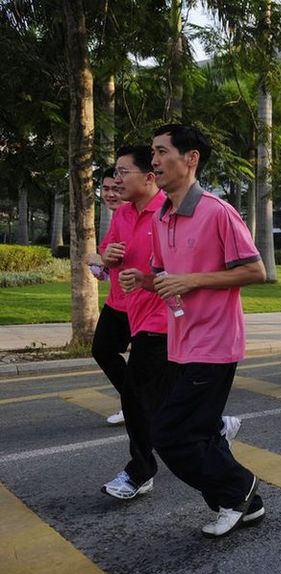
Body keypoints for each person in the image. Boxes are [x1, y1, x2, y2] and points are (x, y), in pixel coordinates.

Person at [145, 124, 266, 538]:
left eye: (162, 152)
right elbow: (164, 272)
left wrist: (190, 281)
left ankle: (239, 489)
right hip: (180, 340)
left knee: (170, 434)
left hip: (214, 343)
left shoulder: (217, 211)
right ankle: (243, 503)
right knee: (198, 429)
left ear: (191, 158)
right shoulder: (163, 216)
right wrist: (147, 281)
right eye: (153, 153)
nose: (155, 161)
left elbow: (255, 270)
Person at [100, 145, 170, 499]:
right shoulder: (123, 214)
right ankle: (212, 427)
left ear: (148, 177)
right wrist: (107, 256)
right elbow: (106, 255)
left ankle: (140, 471)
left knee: (135, 395)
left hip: (163, 318)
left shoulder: (168, 213)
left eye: (124, 172)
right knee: (151, 394)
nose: (117, 178)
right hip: (130, 308)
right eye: (116, 171)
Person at [91, 168, 129, 427]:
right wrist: (100, 261)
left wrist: (99, 260)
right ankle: (134, 401)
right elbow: (105, 256)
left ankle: (214, 424)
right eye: (105, 189)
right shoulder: (119, 218)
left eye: (116, 187)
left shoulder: (149, 214)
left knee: (154, 374)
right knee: (102, 350)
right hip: (117, 301)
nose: (111, 194)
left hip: (148, 304)